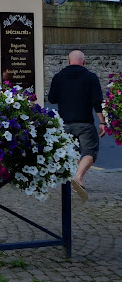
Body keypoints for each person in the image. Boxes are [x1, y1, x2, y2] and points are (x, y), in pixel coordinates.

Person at [48, 50, 106, 202]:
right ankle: (78, 177)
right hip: (85, 122)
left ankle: (76, 179)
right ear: (84, 61)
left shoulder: (58, 77)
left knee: (71, 153)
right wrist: (102, 121)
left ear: (68, 61)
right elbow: (97, 101)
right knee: (90, 151)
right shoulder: (90, 77)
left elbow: (52, 98)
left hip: (64, 123)